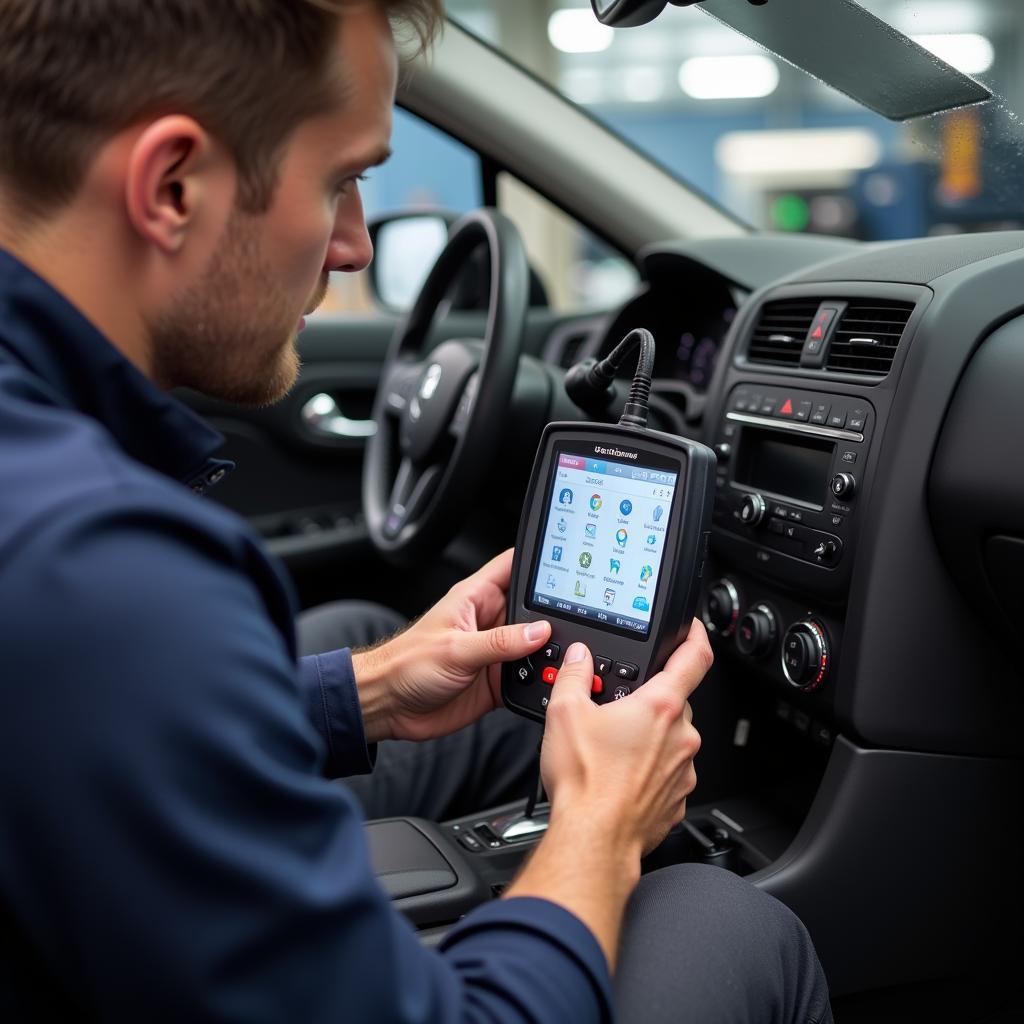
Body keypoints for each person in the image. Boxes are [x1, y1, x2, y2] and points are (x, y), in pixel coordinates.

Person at [0, 2, 833, 1021]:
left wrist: (373, 693)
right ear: (173, 186)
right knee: (725, 915)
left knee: (399, 668)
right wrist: (598, 833)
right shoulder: (103, 568)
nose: (354, 244)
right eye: (341, 179)